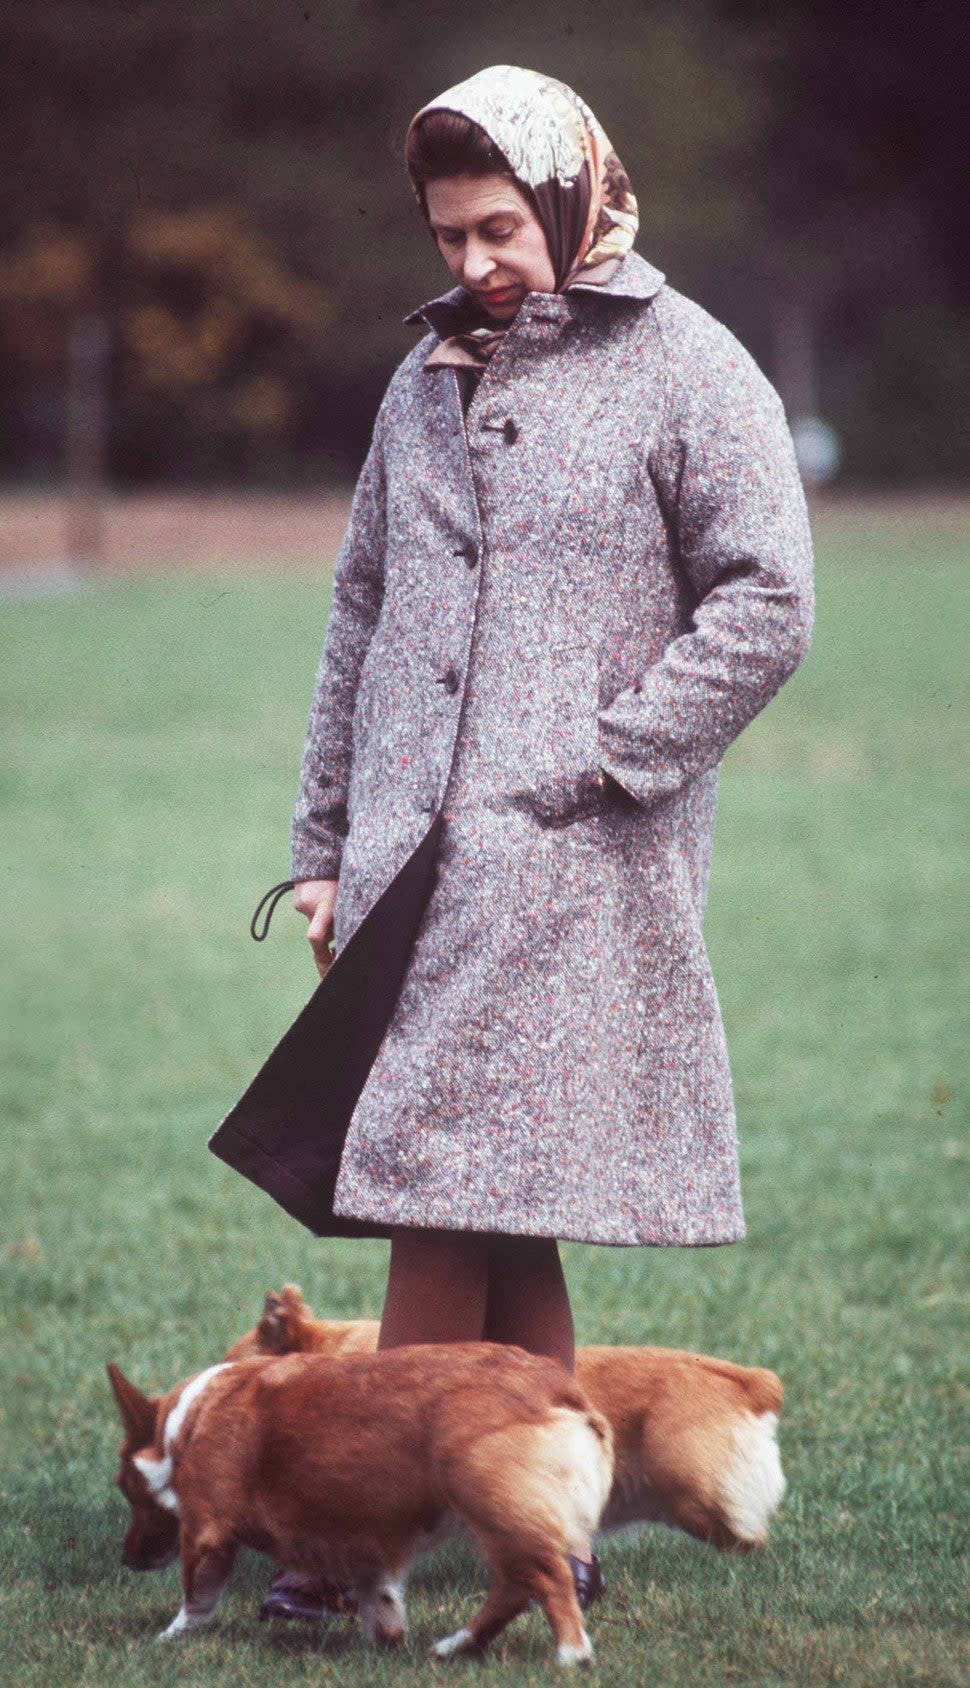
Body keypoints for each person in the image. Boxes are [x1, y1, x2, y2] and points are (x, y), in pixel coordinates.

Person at [243, 64, 815, 1623]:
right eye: (448, 237)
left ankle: (354, 1552)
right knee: (490, 1206)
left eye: (500, 226)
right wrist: (321, 846)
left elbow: (768, 600)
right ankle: (535, 1535)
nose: (475, 261)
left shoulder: (689, 367)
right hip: (415, 857)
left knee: (442, 1181)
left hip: (578, 862)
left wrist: (603, 758)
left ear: (572, 198)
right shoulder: (419, 380)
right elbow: (359, 614)